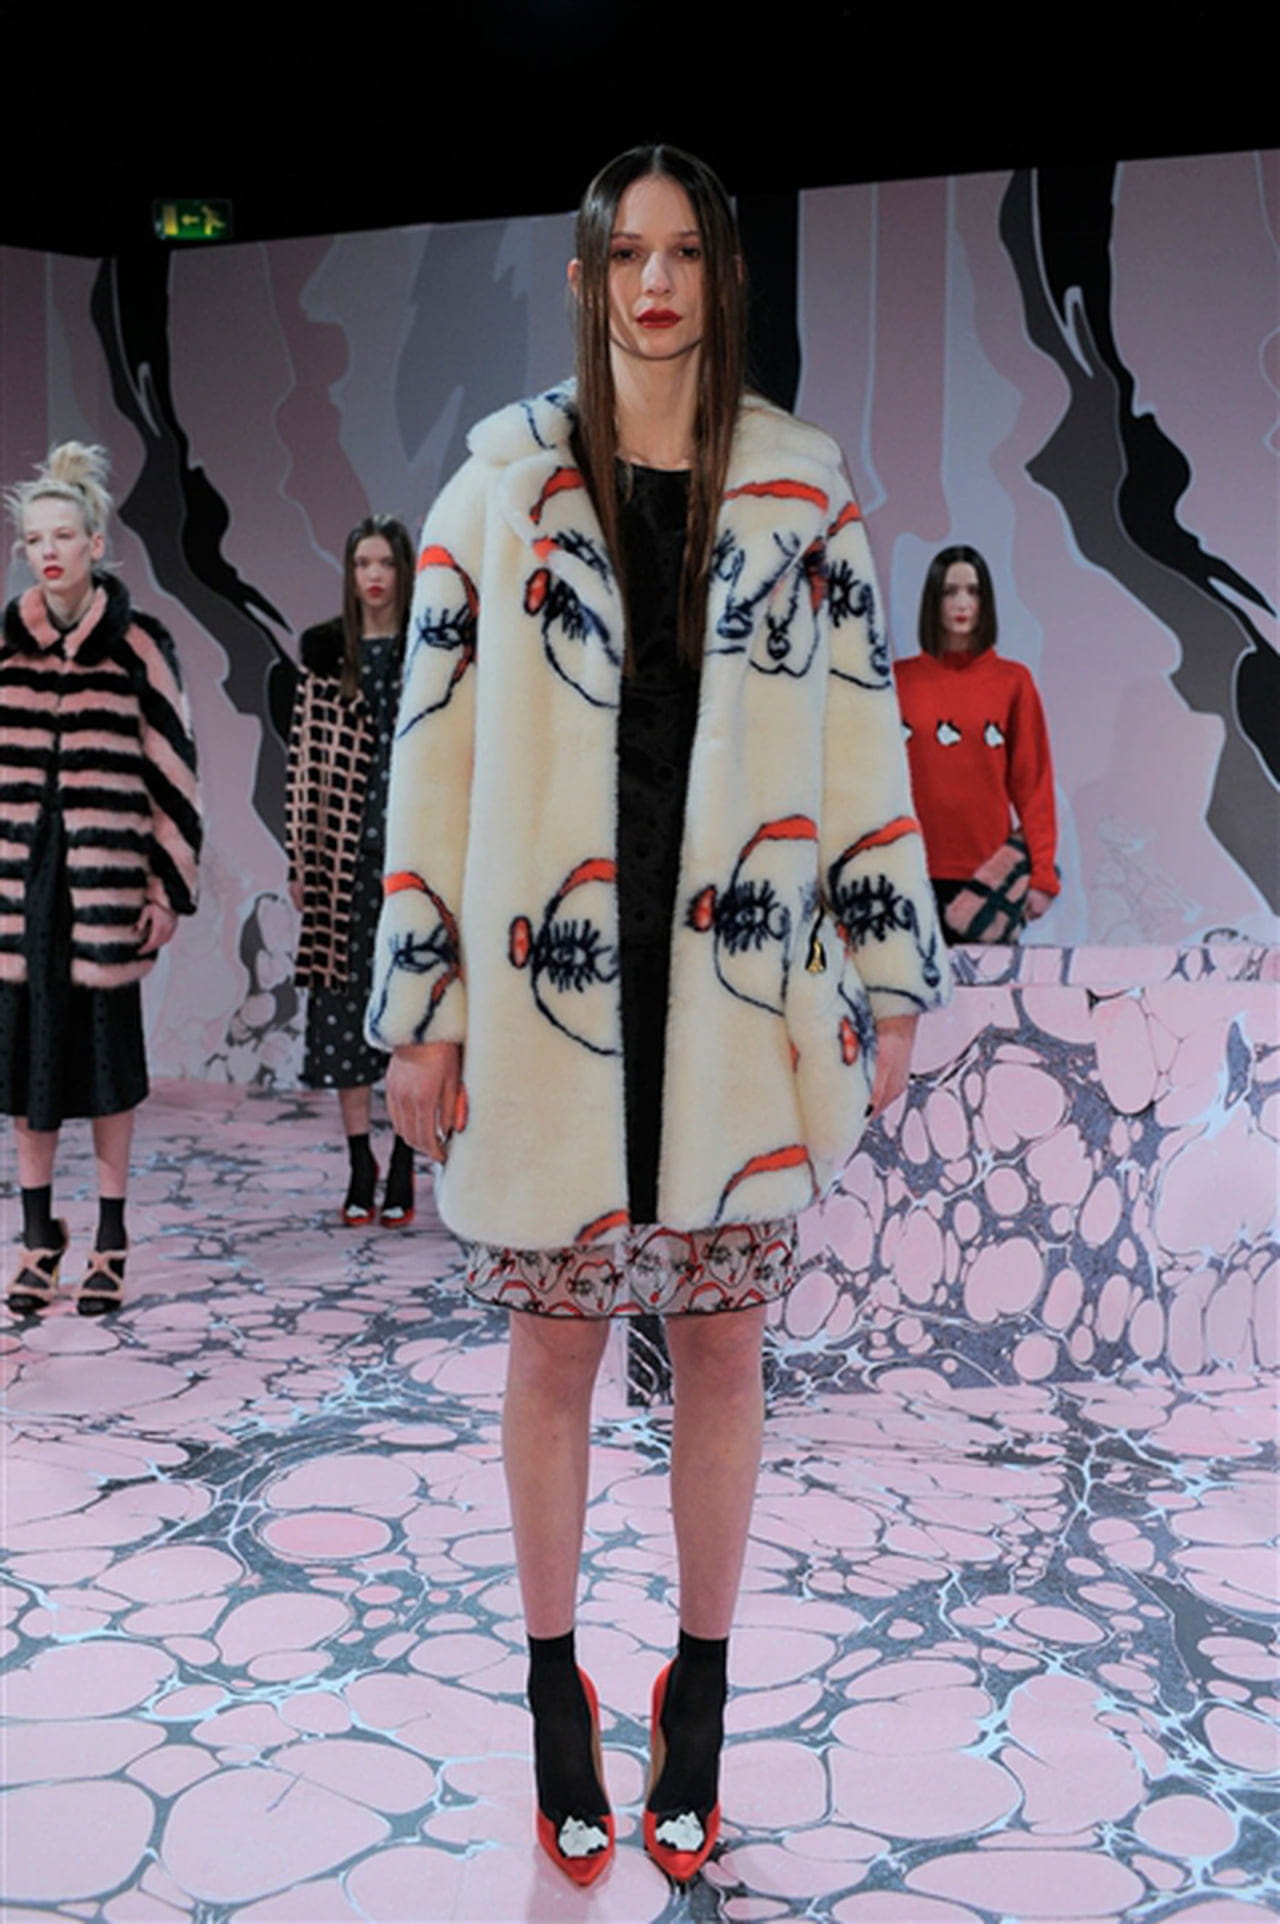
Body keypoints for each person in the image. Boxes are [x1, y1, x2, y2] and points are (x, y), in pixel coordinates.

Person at [372, 146, 948, 1886]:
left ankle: (698, 1692)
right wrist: (421, 1004)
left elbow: (861, 742)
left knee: (723, 1349)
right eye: (628, 253)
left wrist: (889, 970)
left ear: (721, 274)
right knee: (552, 1350)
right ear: (584, 277)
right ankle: (556, 1688)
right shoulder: (496, 493)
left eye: (685, 252)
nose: (655, 284)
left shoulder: (802, 496)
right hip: (548, 1008)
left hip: (736, 1011)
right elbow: (431, 757)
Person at [1, 443, 200, 1314]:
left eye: (63, 536)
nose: (48, 551)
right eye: (34, 539)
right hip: (21, 892)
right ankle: (36, 1236)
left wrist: (167, 888)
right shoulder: (6, 647)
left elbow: (173, 771)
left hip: (107, 891)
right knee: (25, 1072)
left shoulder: (138, 645)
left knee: (108, 1069)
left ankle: (111, 1237)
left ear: (95, 542)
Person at [285, 515, 417, 1226]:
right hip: (342, 857)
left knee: (411, 1007)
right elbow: (303, 763)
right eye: (363, 563)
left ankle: (406, 1157)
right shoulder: (326, 655)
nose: (373, 576)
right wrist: (300, 858)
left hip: (414, 858)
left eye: (385, 563)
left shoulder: (428, 650)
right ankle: (360, 1158)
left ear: (403, 571)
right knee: (343, 1006)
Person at [894, 546, 1058, 942]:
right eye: (950, 592)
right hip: (906, 873)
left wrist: (1042, 875)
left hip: (987, 881)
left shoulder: (1013, 682)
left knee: (986, 987)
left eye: (973, 591)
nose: (962, 603)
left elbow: (1033, 784)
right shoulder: (896, 682)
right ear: (933, 601)